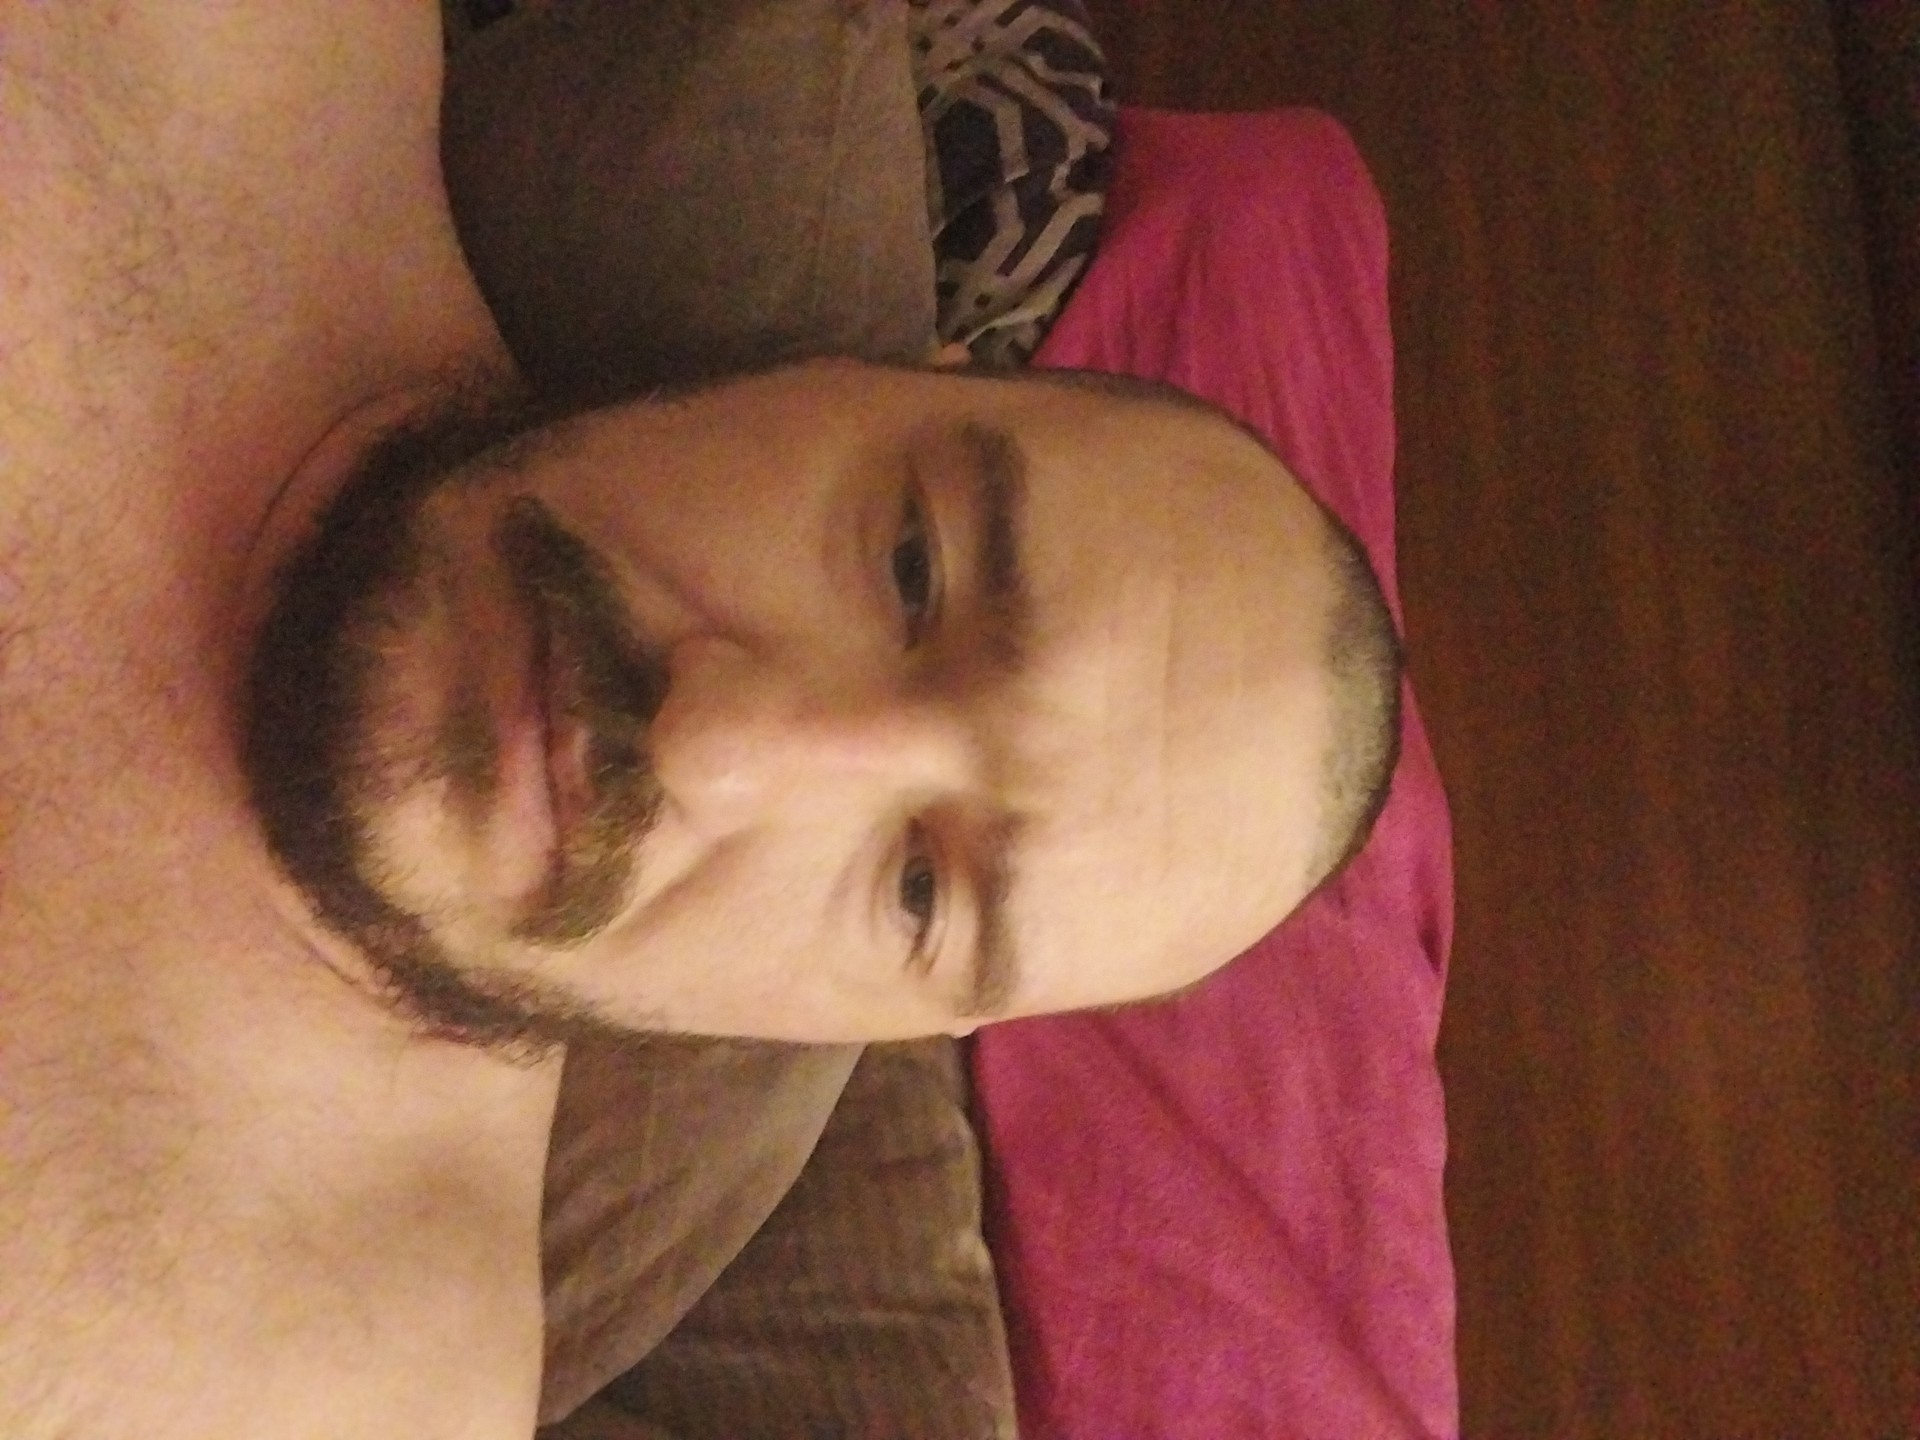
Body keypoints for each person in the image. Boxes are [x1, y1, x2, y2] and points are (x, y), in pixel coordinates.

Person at [0, 3, 1401, 1435]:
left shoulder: (322, 1385)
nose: (715, 747)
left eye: (921, 889)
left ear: (857, 1028)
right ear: (855, 375)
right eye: (911, 565)